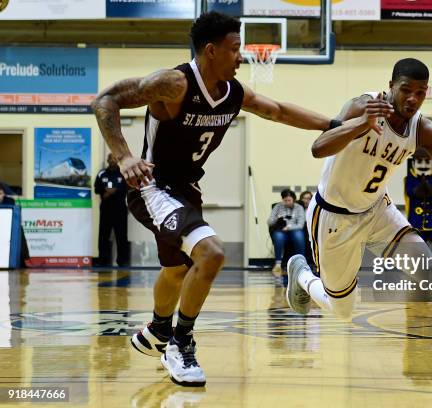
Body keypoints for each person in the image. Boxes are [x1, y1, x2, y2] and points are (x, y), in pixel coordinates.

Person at [91, 11, 333, 387]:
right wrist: (124, 156)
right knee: (212, 254)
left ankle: (157, 328)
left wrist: (333, 126)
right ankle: (179, 342)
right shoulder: (173, 83)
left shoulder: (234, 94)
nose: (242, 56)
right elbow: (106, 100)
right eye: (235, 49)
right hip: (152, 186)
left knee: (177, 271)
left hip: (186, 191)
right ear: (210, 50)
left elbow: (280, 111)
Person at [286, 58, 432, 376]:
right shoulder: (361, 106)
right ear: (390, 86)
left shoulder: (424, 129)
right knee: (344, 310)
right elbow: (318, 147)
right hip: (334, 217)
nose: (412, 99)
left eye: (420, 92)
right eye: (406, 89)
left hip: (378, 211)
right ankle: (304, 277)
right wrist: (361, 124)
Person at [94, 154, 130, 267]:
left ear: (117, 160)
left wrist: (115, 190)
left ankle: (122, 261)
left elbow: (128, 188)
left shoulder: (123, 173)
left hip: (120, 209)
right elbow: (96, 188)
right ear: (108, 160)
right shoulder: (101, 174)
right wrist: (105, 191)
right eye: (111, 158)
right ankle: (103, 260)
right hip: (106, 210)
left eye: (115, 158)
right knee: (104, 235)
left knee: (121, 235)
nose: (113, 160)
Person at [404, 147, 432, 243]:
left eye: (427, 162)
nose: (423, 165)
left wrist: (425, 182)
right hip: (416, 222)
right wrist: (423, 183)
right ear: (414, 163)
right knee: (417, 252)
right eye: (419, 162)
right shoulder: (409, 179)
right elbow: (412, 193)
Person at [267, 189, 306, 276]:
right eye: (285, 200)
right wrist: (276, 219)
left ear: (294, 200)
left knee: (299, 236)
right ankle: (278, 263)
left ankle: (302, 262)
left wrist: (289, 227)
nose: (287, 202)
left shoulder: (299, 208)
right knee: (278, 236)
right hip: (281, 230)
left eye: (289, 200)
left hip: (294, 229)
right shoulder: (277, 207)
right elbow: (269, 222)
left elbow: (300, 224)